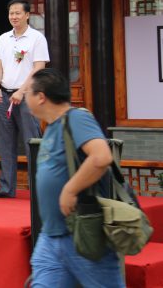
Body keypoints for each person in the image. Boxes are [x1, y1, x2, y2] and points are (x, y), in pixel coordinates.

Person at [26, 69, 122, 287]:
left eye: (27, 93)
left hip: (83, 233)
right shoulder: (52, 128)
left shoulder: (77, 118)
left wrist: (70, 189)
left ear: (41, 97)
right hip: (51, 236)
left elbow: (101, 156)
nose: (25, 98)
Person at [0, 0, 49, 198]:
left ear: (27, 15)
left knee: (32, 142)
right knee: (5, 144)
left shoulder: (36, 38)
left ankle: (38, 189)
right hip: (4, 96)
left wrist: (22, 91)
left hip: (27, 97)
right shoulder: (4, 38)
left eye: (18, 13)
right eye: (11, 13)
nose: (13, 16)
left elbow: (39, 68)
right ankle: (7, 188)